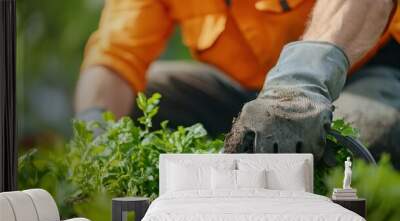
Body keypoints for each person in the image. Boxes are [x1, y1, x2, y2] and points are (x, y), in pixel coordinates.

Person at [75, 0, 400, 165]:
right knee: (142, 99)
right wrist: (96, 142)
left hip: (367, 68)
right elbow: (115, 55)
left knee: (359, 132)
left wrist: (300, 82)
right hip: (252, 94)